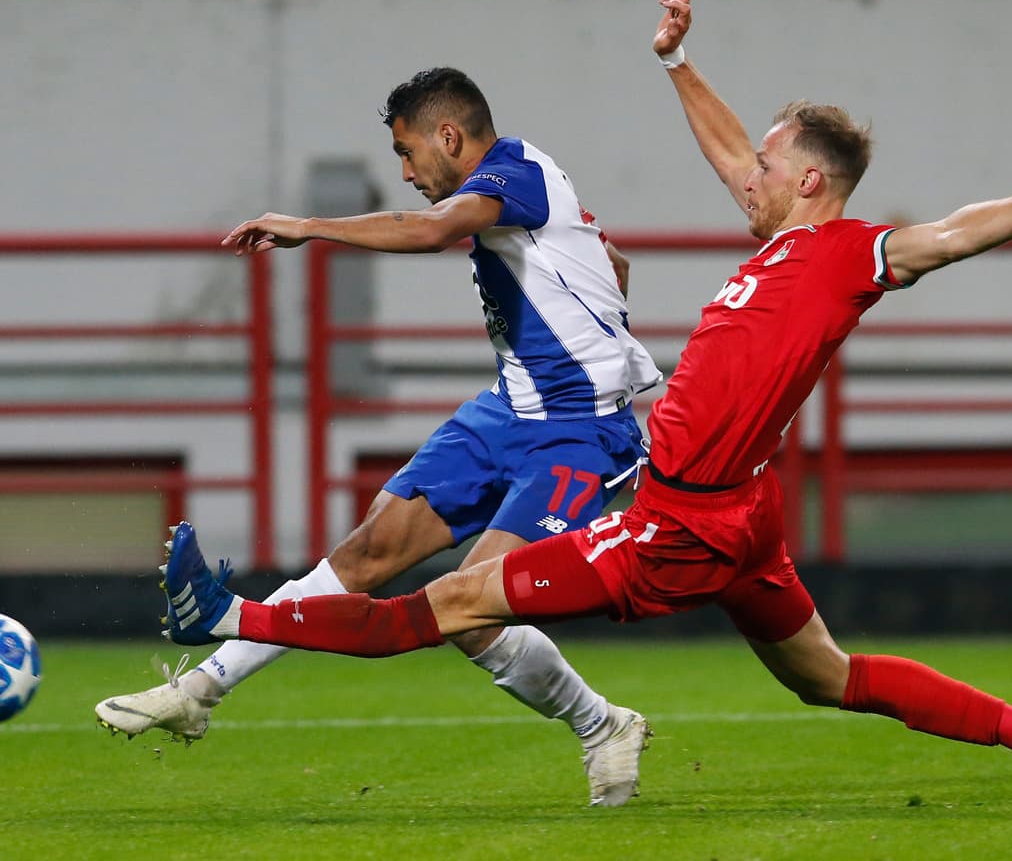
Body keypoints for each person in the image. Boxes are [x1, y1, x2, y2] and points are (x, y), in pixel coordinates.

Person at [153, 0, 1012, 803]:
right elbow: (726, 148)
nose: (738, 175)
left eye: (760, 166)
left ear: (807, 179)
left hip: (678, 524)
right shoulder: (784, 241)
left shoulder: (851, 257)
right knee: (825, 677)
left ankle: (232, 617)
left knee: (450, 605)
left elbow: (950, 234)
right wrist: (677, 65)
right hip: (741, 513)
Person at [96, 67, 663, 808]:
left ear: (449, 136)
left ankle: (603, 725)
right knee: (366, 554)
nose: (405, 172)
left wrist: (308, 227)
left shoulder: (513, 171)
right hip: (506, 412)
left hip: (577, 432)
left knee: (470, 603)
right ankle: (204, 688)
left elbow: (430, 231)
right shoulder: (528, 183)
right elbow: (611, 262)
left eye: (408, 151)